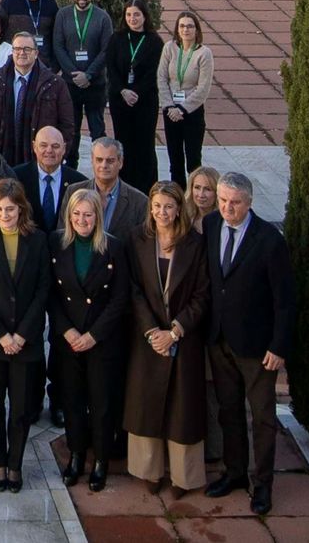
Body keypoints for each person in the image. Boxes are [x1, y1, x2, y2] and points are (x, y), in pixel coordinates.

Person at [203, 172, 295, 516]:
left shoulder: (269, 240)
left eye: (235, 202)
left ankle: (263, 484)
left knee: (262, 417)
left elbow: (285, 300)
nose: (228, 208)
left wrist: (279, 346)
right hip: (219, 339)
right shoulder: (211, 224)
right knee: (228, 411)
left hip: (257, 347)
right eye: (223, 200)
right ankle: (235, 472)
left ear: (250, 202)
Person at [125, 181, 210, 497]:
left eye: (169, 206)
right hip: (148, 340)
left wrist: (175, 331)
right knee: (146, 404)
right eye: (157, 206)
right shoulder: (137, 239)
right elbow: (133, 289)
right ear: (150, 207)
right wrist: (152, 332)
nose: (162, 212)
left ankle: (182, 477)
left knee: (182, 410)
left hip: (183, 339)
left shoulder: (195, 244)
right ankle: (150, 471)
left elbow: (203, 293)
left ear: (179, 209)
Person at [0, 178, 50, 493]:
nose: (5, 215)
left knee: (21, 409)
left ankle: (15, 465)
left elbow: (43, 289)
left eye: (11, 209)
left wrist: (22, 334)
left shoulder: (38, 241)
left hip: (26, 342)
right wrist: (1, 334)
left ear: (21, 210)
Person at [48, 188, 129, 491]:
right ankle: (76, 455)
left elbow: (120, 298)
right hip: (68, 340)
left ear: (98, 217)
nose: (82, 220)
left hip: (101, 340)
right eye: (76, 214)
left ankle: (101, 461)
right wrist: (67, 331)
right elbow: (51, 294)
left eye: (88, 214)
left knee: (101, 403)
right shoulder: (56, 243)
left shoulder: (114, 248)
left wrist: (94, 335)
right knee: (72, 400)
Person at [0, 31, 75, 168]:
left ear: (36, 53)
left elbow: (67, 124)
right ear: (12, 52)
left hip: (38, 157)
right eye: (17, 49)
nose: (22, 53)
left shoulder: (55, 84)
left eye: (27, 49)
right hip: (1, 155)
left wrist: (59, 155)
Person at [106, 0, 164, 192]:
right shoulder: (117, 38)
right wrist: (123, 90)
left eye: (137, 14)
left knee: (145, 145)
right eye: (129, 14)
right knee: (124, 145)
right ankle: (124, 187)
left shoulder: (155, 42)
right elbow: (111, 68)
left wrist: (136, 92)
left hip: (145, 101)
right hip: (120, 101)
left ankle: (148, 189)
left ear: (145, 16)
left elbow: (154, 72)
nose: (132, 19)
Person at [54, 0, 112, 170]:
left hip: (95, 84)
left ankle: (102, 169)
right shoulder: (63, 15)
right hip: (70, 84)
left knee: (97, 129)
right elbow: (58, 46)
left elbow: (106, 50)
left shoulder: (102, 17)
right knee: (71, 130)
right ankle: (71, 171)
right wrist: (74, 74)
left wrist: (88, 75)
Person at [158, 12, 214, 186]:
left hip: (192, 112)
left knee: (193, 161)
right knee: (175, 160)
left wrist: (182, 109)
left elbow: (203, 88)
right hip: (170, 112)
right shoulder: (169, 48)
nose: (185, 30)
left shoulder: (204, 53)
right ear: (177, 29)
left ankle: (194, 195)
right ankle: (177, 195)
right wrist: (169, 106)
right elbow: (161, 78)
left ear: (197, 30)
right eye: (182, 26)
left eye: (190, 26)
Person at [65, 137, 150, 242]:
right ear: (92, 161)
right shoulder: (72, 192)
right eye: (99, 160)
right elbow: (63, 233)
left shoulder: (139, 202)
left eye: (110, 161)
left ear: (120, 162)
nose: (104, 165)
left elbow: (143, 243)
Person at [14, 126, 86, 235]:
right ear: (34, 147)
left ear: (64, 149)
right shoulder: (17, 177)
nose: (49, 150)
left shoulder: (79, 182)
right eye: (43, 145)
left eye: (55, 146)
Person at [0, 0, 61, 68]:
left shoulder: (51, 5)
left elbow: (57, 38)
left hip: (43, 67)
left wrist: (53, 68)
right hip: (14, 64)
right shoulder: (9, 2)